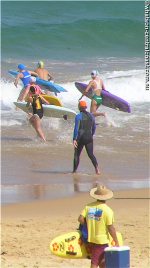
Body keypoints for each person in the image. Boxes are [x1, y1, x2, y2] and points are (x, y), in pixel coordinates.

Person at [78, 184, 119, 268]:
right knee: (95, 262)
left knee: (102, 260)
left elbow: (80, 219)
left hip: (89, 239)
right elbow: (110, 228)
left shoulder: (88, 206)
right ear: (107, 197)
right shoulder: (108, 210)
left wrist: (88, 225)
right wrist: (116, 241)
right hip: (101, 241)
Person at [73, 100, 100, 175]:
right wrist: (91, 135)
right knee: (91, 155)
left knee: (77, 155)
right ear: (86, 107)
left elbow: (76, 128)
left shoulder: (78, 116)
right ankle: (97, 169)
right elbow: (94, 127)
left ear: (79, 107)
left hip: (80, 138)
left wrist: (74, 139)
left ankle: (74, 171)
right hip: (89, 138)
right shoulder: (91, 116)